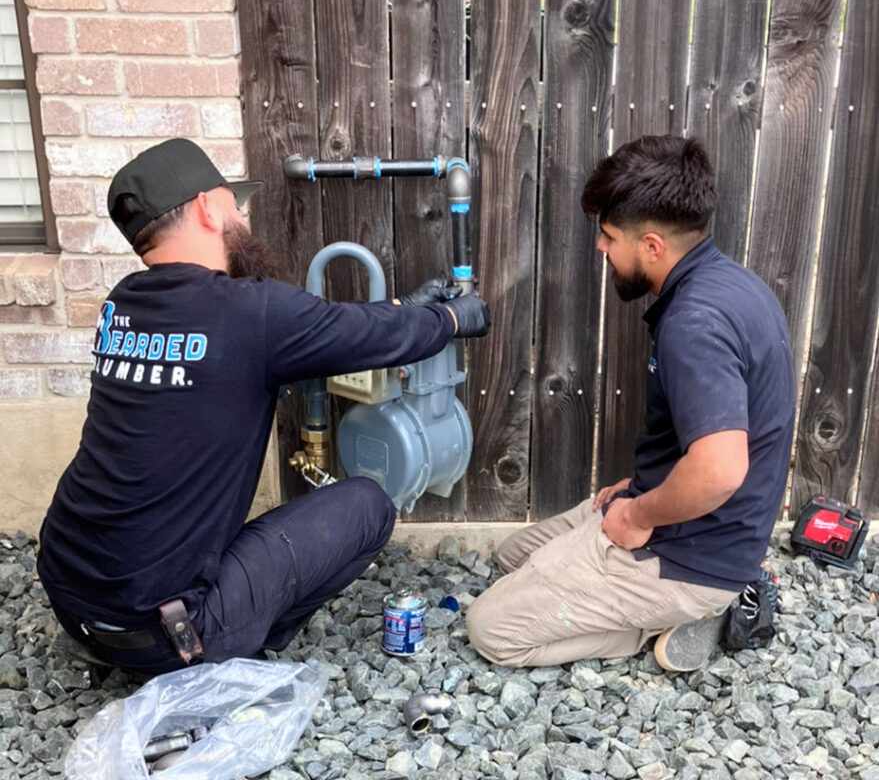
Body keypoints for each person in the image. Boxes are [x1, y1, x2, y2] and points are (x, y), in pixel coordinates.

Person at [37, 138, 490, 675]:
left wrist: (397, 307)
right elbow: (342, 333)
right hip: (170, 634)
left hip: (71, 596)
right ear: (208, 207)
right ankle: (236, 645)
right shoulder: (251, 312)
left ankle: (185, 633)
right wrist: (454, 318)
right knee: (368, 505)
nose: (242, 217)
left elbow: (327, 332)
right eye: (235, 204)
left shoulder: (122, 306)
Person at [467, 134, 794, 671]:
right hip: (692, 521)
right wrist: (645, 488)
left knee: (492, 629)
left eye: (608, 236)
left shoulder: (695, 323)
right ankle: (674, 598)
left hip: (687, 553)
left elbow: (718, 470)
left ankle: (685, 613)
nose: (600, 247)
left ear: (652, 247)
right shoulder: (732, 284)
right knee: (512, 559)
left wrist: (639, 514)